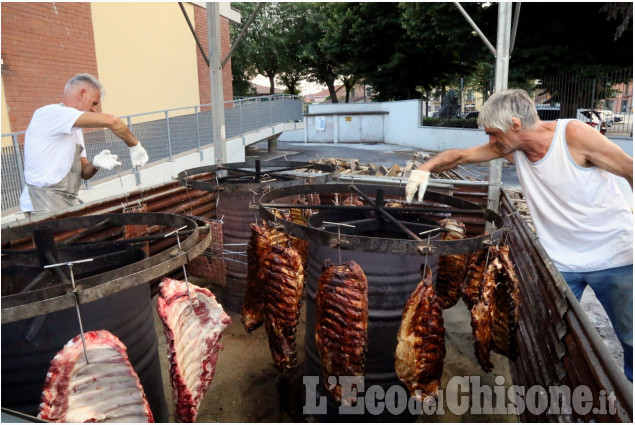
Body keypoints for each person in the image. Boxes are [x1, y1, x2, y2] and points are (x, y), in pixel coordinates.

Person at [405, 88, 633, 381]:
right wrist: (424, 169)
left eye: (492, 133)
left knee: (630, 336)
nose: (491, 141)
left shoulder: (573, 135)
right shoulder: (511, 148)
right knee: (547, 333)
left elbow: (630, 169)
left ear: (515, 124)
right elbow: (460, 156)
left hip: (614, 256)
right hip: (560, 263)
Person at [19, 73, 149, 213]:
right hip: (41, 204)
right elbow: (112, 121)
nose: (94, 110)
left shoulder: (75, 130)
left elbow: (84, 173)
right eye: (94, 103)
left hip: (65, 202)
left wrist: (95, 164)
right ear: (81, 94)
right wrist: (135, 146)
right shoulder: (49, 113)